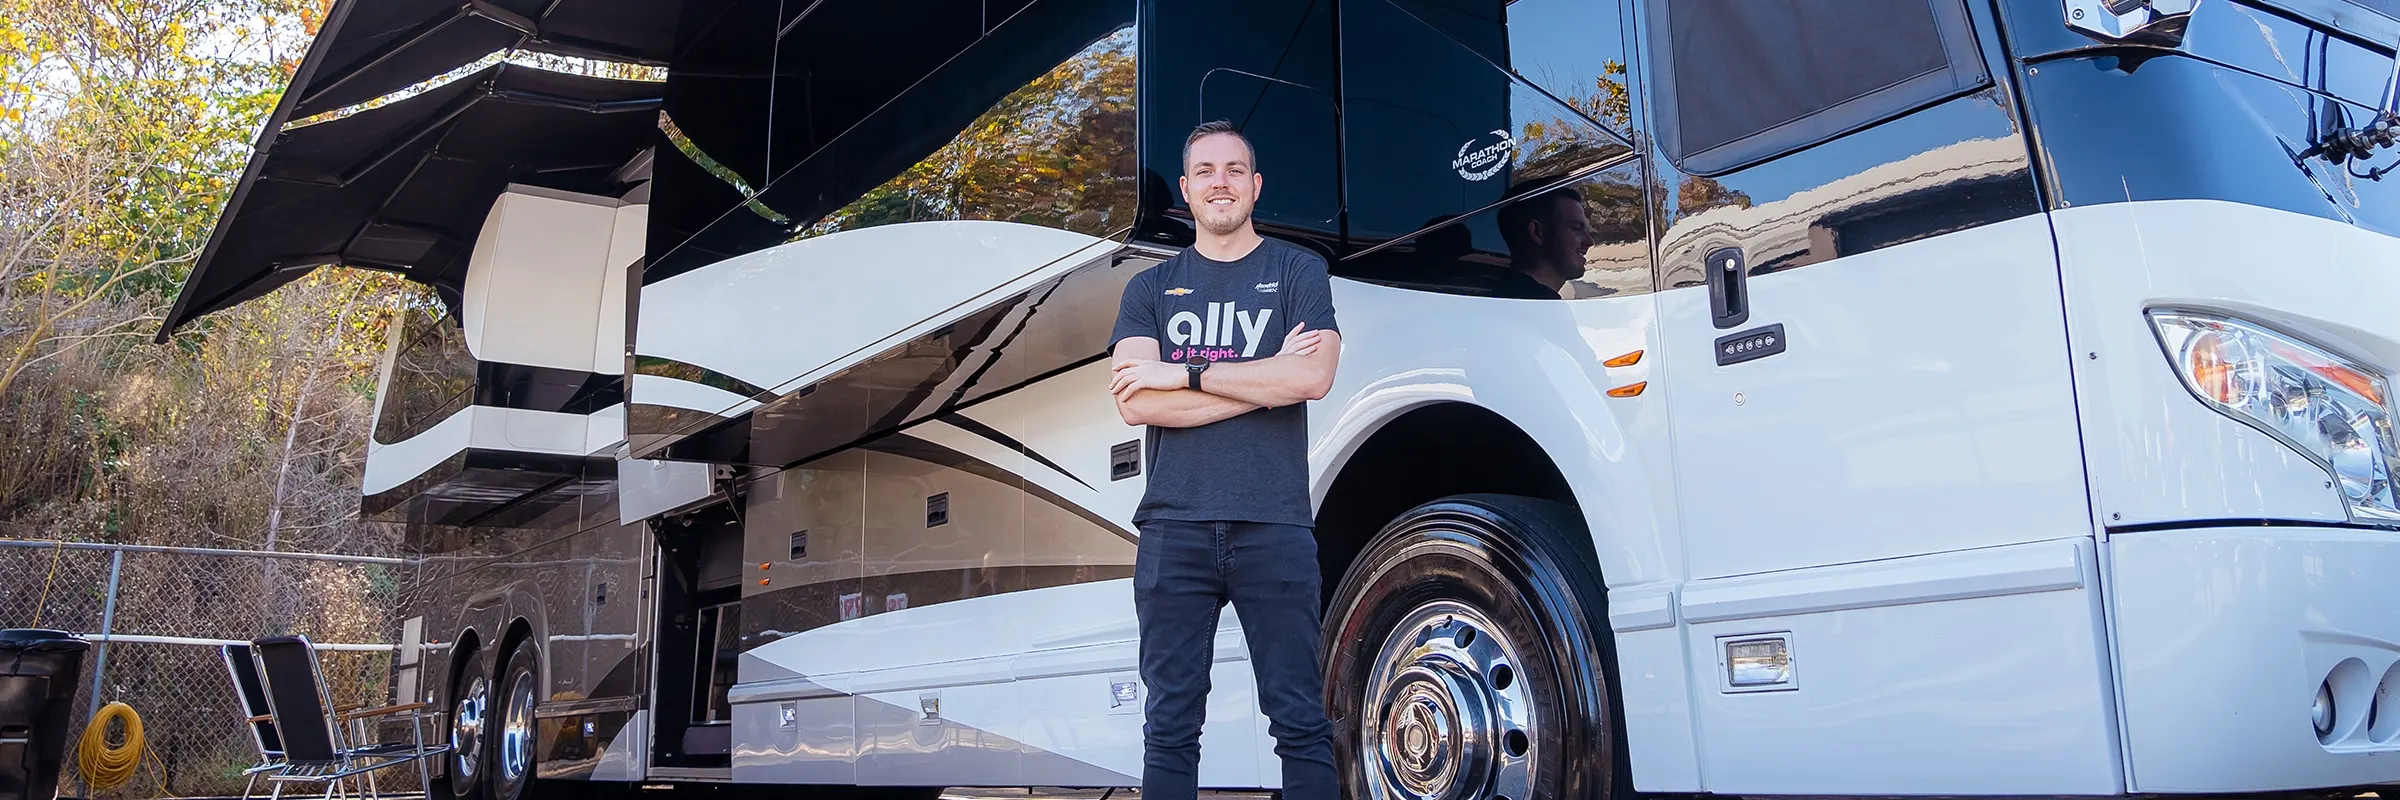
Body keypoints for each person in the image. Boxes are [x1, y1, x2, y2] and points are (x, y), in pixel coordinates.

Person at [1104, 120, 1341, 800]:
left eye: (1235, 169)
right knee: (1170, 729)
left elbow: (1311, 379)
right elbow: (1134, 404)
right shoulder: (1149, 289)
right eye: (1206, 171)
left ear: (1255, 185)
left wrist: (1185, 375)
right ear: (1185, 189)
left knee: (1301, 722)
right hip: (1173, 531)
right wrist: (1262, 380)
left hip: (1276, 526)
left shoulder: (1297, 269)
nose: (1220, 182)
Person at [1493, 184, 1597, 298]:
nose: (1589, 242)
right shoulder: (1543, 309)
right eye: (1577, 227)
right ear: (1537, 232)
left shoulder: (1497, 295)